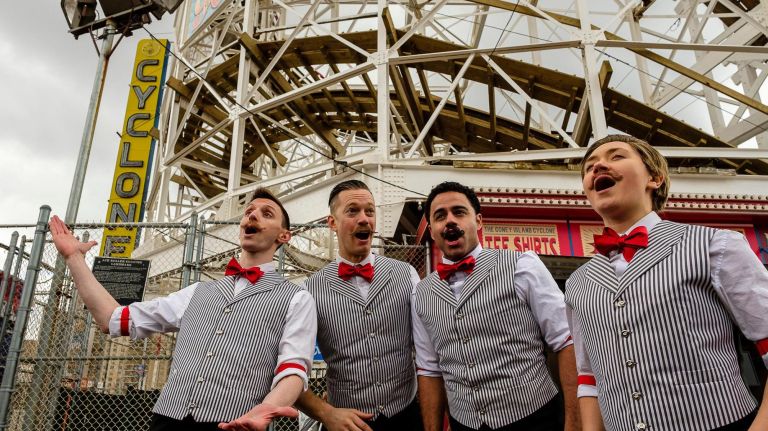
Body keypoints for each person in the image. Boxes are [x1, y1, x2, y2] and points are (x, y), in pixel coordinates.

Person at [49, 188, 317, 431]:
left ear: (284, 236)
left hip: (235, 424)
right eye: (248, 211)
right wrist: (74, 257)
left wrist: (266, 409)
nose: (253, 215)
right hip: (167, 420)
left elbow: (293, 370)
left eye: (266, 213)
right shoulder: (197, 292)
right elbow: (112, 319)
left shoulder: (296, 298)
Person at [566, 134, 768, 430]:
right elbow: (589, 376)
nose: (598, 167)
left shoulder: (715, 245)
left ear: (655, 178)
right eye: (589, 167)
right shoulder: (577, 283)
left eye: (617, 156)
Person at [412, 181, 579, 431]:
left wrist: (574, 424)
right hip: (465, 423)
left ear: (478, 221)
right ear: (432, 231)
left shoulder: (522, 266)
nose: (450, 221)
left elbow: (566, 341)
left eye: (459, 212)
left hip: (534, 417)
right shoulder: (421, 293)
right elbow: (429, 369)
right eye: (440, 216)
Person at [295, 180, 423, 431]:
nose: (364, 219)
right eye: (352, 211)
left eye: (370, 211)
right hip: (345, 423)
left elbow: (428, 350)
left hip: (406, 414)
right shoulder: (310, 290)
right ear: (332, 223)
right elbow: (287, 366)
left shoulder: (406, 274)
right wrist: (325, 413)